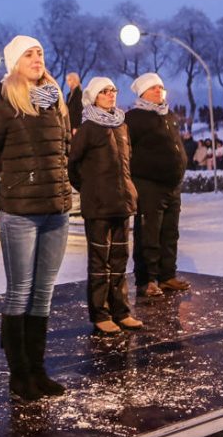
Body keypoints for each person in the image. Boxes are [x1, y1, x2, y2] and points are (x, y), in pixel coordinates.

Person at [0, 35, 70, 401]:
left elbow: (64, 151)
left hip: (55, 212)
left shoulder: (54, 101)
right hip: (20, 215)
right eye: (29, 54)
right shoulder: (3, 104)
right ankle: (19, 375)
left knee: (43, 294)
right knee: (20, 293)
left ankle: (38, 370)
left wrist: (64, 189)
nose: (37, 58)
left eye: (40, 52)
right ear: (15, 62)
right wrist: (1, 203)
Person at [68, 77, 143, 335]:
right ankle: (100, 313)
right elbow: (73, 166)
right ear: (93, 97)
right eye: (104, 92)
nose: (111, 95)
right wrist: (91, 189)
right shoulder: (88, 128)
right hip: (98, 205)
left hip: (122, 203)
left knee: (120, 259)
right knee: (100, 262)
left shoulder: (122, 125)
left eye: (113, 90)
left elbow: (127, 161)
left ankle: (121, 311)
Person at [125, 72, 189, 298]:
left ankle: (167, 275)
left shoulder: (169, 115)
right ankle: (147, 279)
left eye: (160, 87)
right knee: (148, 234)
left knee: (170, 232)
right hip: (148, 185)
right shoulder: (134, 117)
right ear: (142, 92)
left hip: (172, 185)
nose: (158, 91)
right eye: (153, 88)